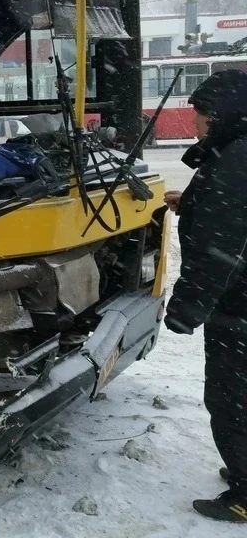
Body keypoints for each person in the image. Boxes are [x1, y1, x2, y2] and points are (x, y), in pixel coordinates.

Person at [163, 69, 247, 523]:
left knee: (231, 395)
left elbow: (221, 253)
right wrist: (193, 202)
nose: (193, 122)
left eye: (198, 114)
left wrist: (185, 311)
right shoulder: (238, 153)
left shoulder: (235, 163)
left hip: (239, 309)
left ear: (218, 116)